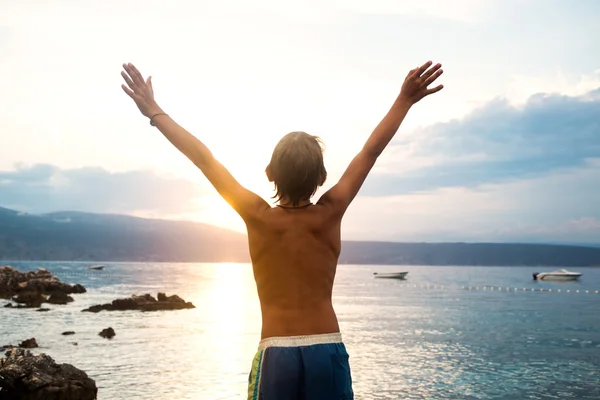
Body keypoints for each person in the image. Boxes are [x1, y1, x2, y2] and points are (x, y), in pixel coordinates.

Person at [120, 60, 443, 399]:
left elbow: (205, 159)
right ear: (321, 179)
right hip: (327, 347)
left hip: (277, 352)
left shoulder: (258, 216)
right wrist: (404, 100)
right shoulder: (330, 213)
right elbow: (370, 152)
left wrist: (153, 111)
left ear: (269, 173)